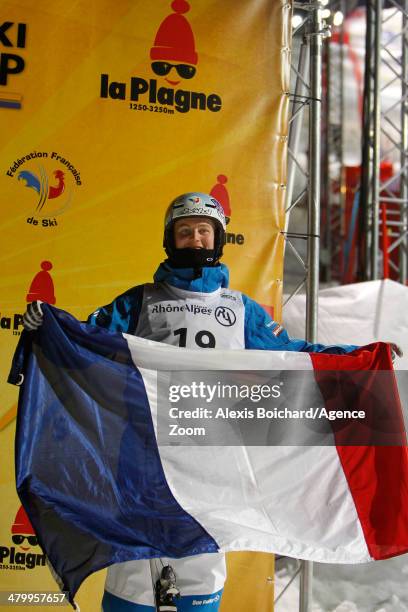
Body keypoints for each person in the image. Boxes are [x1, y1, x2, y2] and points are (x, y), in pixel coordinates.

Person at [23, 192, 402, 612]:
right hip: (143, 461)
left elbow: (295, 356)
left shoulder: (242, 311)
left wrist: (358, 358)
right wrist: (49, 326)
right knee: (135, 573)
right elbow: (87, 340)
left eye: (205, 231)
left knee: (199, 572)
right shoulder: (138, 301)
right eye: (185, 232)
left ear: (218, 239)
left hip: (212, 463)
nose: (196, 239)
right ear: (171, 240)